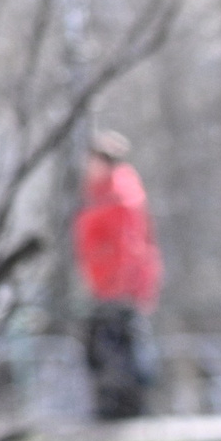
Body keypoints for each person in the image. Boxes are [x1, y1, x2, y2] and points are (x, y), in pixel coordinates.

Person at [73, 130, 162, 421]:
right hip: (104, 286)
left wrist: (120, 285)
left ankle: (123, 409)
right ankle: (112, 406)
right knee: (103, 350)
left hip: (119, 289)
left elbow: (128, 246)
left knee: (118, 351)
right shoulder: (98, 194)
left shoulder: (120, 196)